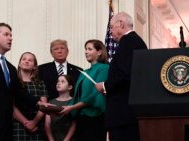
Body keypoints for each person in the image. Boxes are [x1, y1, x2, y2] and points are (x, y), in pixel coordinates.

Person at [95, 12, 148, 141]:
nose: (110, 31)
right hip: (129, 113)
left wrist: (105, 86)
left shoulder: (128, 42)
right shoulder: (135, 41)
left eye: (111, 27)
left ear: (121, 24)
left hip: (123, 115)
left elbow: (126, 75)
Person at [61, 39, 109, 141]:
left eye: (89, 49)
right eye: (85, 49)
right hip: (81, 118)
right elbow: (77, 96)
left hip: (95, 118)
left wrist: (72, 107)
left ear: (99, 52)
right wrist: (59, 107)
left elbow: (95, 95)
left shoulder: (104, 68)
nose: (86, 52)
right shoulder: (85, 72)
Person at [13, 52, 48, 141]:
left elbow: (44, 105)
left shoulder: (40, 83)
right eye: (24, 59)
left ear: (34, 66)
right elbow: (10, 105)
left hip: (37, 125)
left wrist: (34, 122)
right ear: (19, 63)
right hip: (17, 125)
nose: (26, 61)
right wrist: (26, 122)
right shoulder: (13, 82)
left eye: (30, 60)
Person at [44, 75, 76, 141]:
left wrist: (66, 139)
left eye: (62, 81)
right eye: (58, 81)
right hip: (54, 137)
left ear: (70, 87)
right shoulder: (51, 102)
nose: (58, 83)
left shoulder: (74, 102)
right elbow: (47, 124)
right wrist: (51, 139)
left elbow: (74, 123)